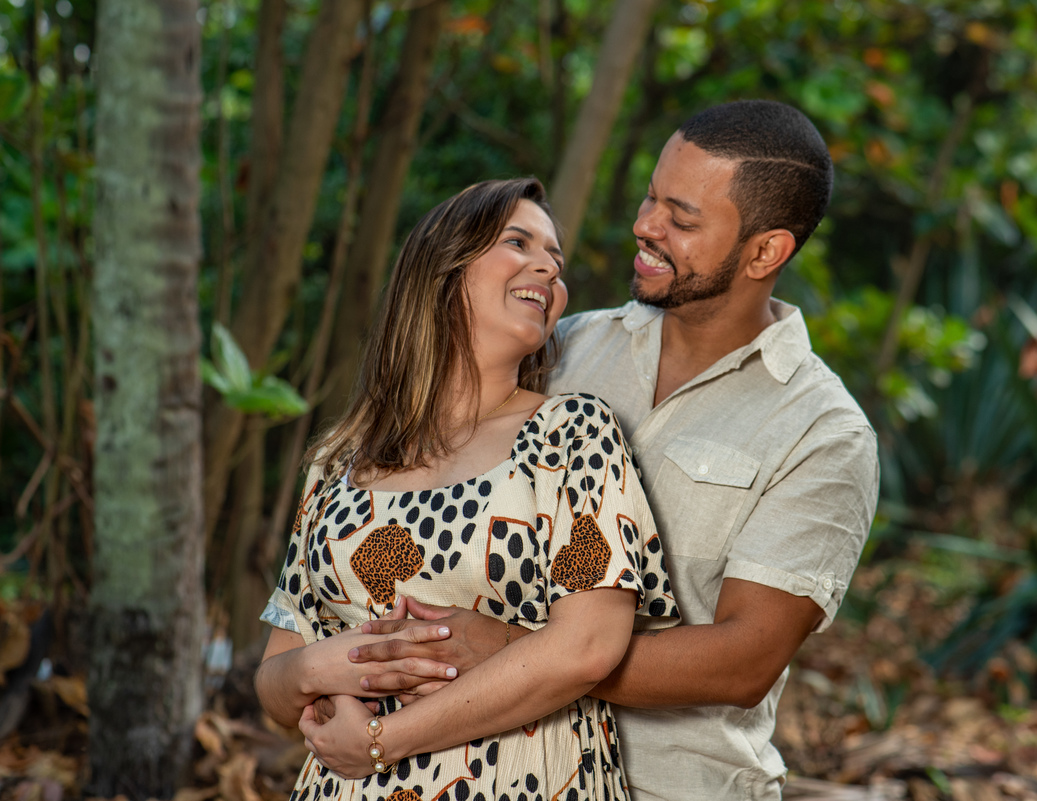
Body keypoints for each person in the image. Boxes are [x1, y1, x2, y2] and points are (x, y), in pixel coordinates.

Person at [345, 100, 881, 800]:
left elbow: (741, 659)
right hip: (476, 774)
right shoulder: (559, 351)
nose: (645, 226)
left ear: (765, 251)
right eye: (651, 196)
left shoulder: (822, 431)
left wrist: (514, 651)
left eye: (680, 218)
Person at [254, 177, 678, 801]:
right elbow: (274, 678)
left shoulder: (572, 433)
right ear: (444, 267)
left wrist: (383, 742)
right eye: (518, 241)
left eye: (556, 262)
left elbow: (587, 647)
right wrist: (323, 665)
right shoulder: (340, 457)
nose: (549, 269)